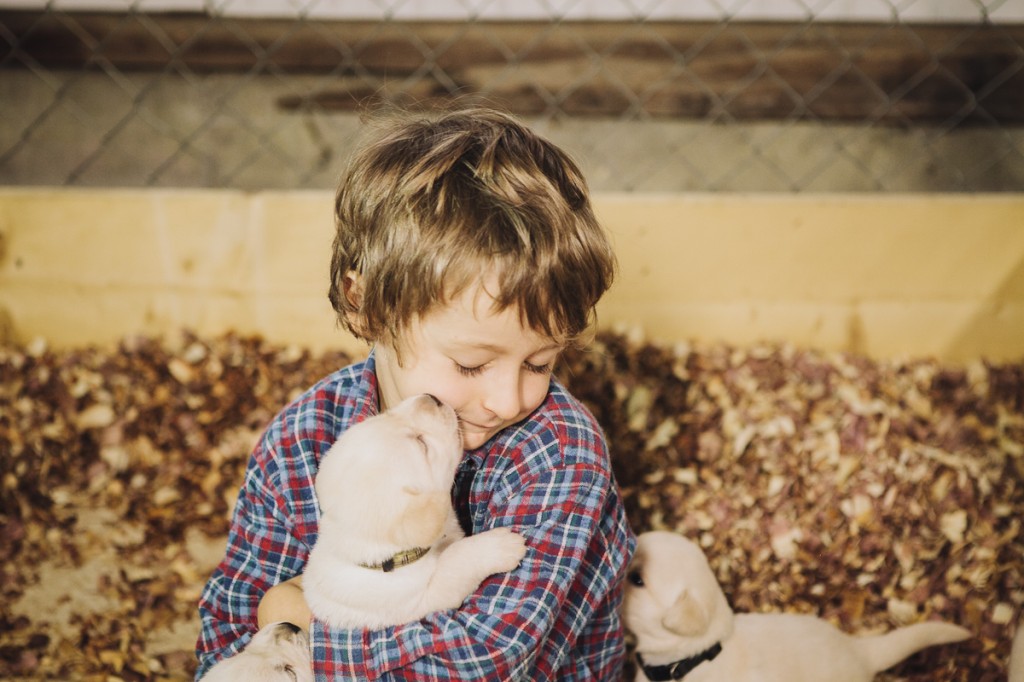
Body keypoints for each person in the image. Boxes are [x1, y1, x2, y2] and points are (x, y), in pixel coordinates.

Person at [194, 103, 636, 680]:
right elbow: (233, 619)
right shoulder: (304, 439)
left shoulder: (558, 453)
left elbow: (490, 654)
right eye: (471, 364)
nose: (508, 399)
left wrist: (300, 636)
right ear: (367, 306)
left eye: (540, 362)